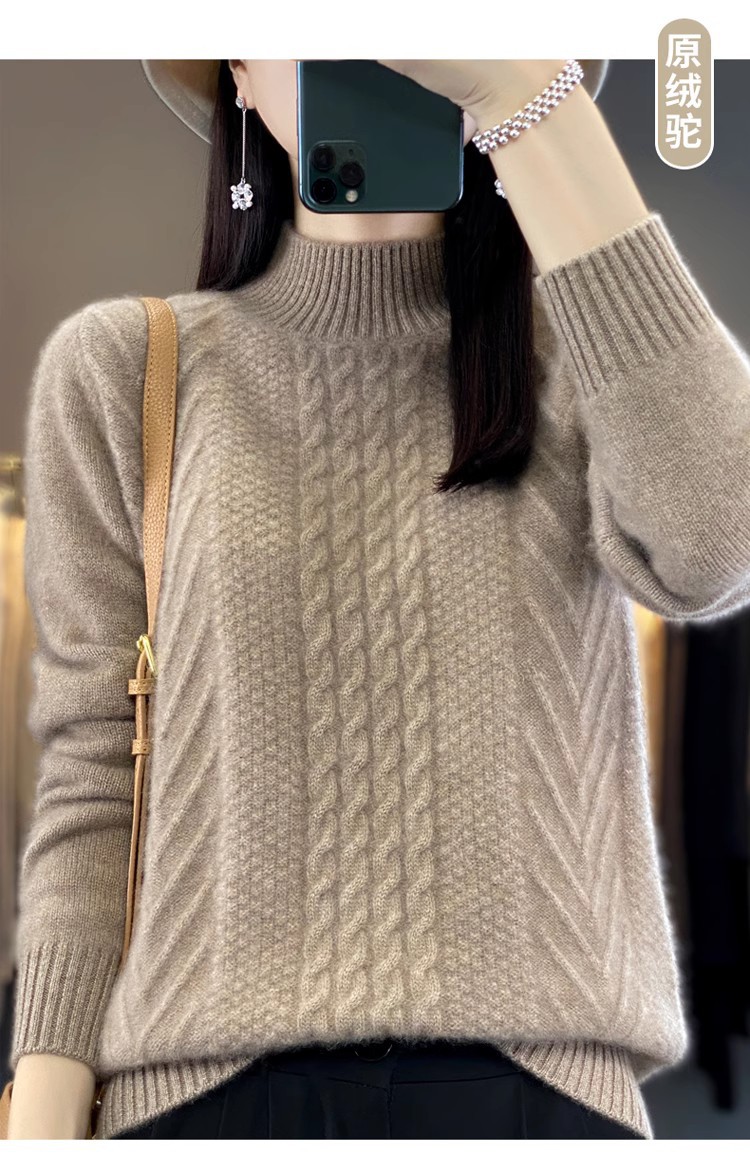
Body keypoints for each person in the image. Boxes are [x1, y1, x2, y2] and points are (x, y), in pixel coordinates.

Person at [7, 58, 750, 1140]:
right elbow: (94, 773)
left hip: (542, 1090)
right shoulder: (126, 369)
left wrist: (526, 106)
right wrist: (41, 1111)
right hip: (200, 1095)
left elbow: (716, 546)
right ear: (238, 69)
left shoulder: (590, 357)